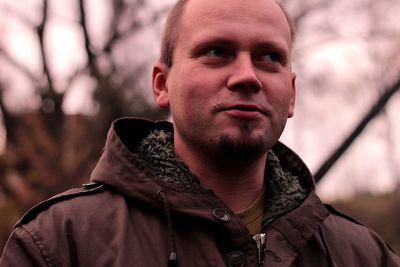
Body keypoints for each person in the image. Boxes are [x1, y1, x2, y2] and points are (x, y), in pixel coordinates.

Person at [1, 0, 399, 266]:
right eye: (216, 52)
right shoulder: (58, 245)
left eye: (269, 57)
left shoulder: (363, 255)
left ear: (291, 94)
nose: (247, 76)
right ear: (162, 84)